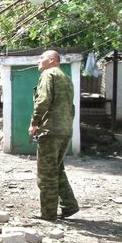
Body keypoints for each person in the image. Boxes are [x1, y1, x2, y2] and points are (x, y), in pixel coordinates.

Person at [28, 50, 79, 220]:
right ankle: (69, 205)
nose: (39, 61)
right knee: (57, 170)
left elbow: (43, 100)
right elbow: (71, 107)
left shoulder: (48, 75)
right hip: (65, 131)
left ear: (51, 60)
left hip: (50, 131)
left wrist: (34, 123)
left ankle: (48, 214)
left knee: (46, 174)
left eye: (41, 58)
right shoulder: (66, 78)